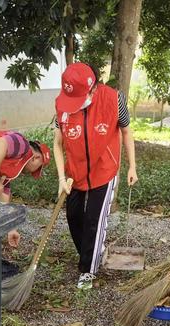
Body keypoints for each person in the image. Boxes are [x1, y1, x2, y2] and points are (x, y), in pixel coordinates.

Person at [53, 62, 137, 290]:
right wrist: (62, 178)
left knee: (94, 220)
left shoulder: (113, 99)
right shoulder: (62, 105)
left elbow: (127, 132)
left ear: (93, 89)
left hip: (104, 169)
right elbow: (58, 143)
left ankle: (87, 270)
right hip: (75, 173)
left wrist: (132, 167)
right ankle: (91, 254)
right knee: (73, 216)